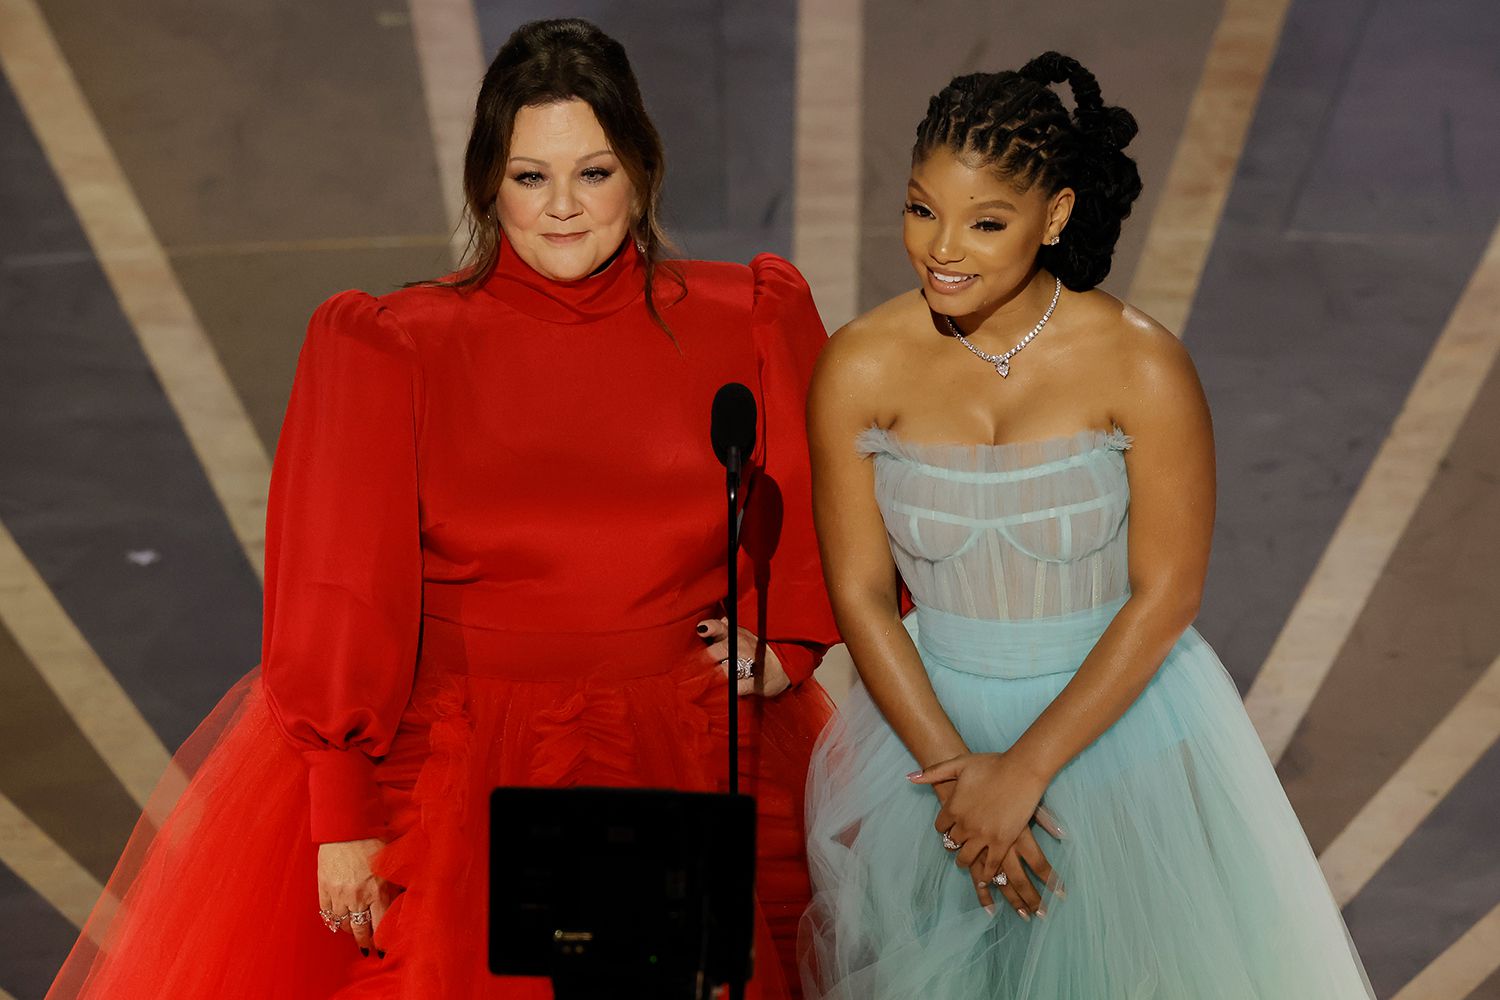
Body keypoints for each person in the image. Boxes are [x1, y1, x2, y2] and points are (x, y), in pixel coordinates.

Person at [48, 18, 836, 1000]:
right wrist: (341, 806)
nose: (561, 209)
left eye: (592, 173)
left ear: (641, 169)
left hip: (690, 753)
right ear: (485, 184)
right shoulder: (395, 346)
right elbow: (338, 583)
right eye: (528, 176)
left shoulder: (746, 319)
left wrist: (789, 643)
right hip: (466, 781)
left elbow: (819, 500)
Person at [799, 53, 1375, 999]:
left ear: (1055, 217)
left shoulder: (1142, 366)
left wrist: (1023, 772)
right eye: (921, 209)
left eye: (986, 222)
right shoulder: (857, 366)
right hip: (923, 747)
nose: (943, 248)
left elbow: (1167, 594)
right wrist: (958, 781)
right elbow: (859, 593)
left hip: (1119, 745)